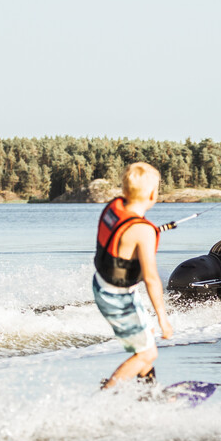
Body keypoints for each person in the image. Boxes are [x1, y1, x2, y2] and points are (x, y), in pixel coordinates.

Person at [93, 162, 174, 389]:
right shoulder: (143, 231)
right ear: (152, 194)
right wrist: (163, 319)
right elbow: (151, 279)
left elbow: (125, 236)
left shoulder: (113, 207)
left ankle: (147, 392)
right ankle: (105, 396)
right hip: (115, 296)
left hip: (102, 285)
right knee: (148, 353)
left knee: (147, 336)